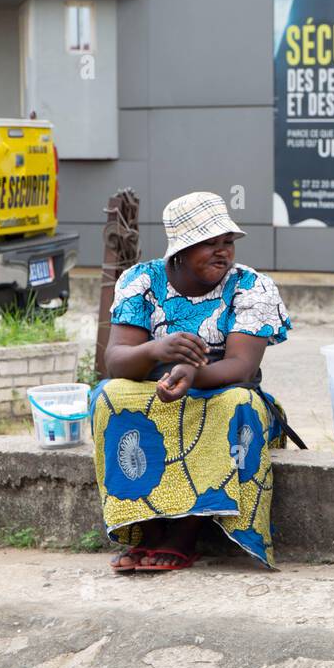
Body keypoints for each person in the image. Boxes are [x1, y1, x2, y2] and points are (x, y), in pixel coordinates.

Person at [93, 191, 292, 573]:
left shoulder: (251, 287)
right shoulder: (141, 281)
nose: (223, 253)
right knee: (109, 396)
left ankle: (186, 530)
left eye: (227, 243)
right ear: (179, 252)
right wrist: (156, 350)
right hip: (156, 389)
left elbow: (242, 367)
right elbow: (116, 362)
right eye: (209, 244)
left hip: (222, 391)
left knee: (237, 402)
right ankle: (145, 525)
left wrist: (193, 373)